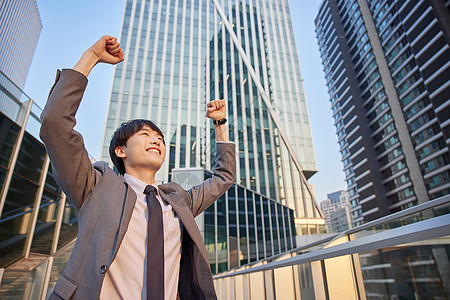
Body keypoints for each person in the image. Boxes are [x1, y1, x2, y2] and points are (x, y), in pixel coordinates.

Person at [40, 35, 235, 300]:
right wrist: (92, 57)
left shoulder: (179, 200)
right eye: (145, 134)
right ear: (120, 151)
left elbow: (224, 177)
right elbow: (55, 125)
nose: (156, 139)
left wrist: (220, 124)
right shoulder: (95, 187)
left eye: (160, 138)